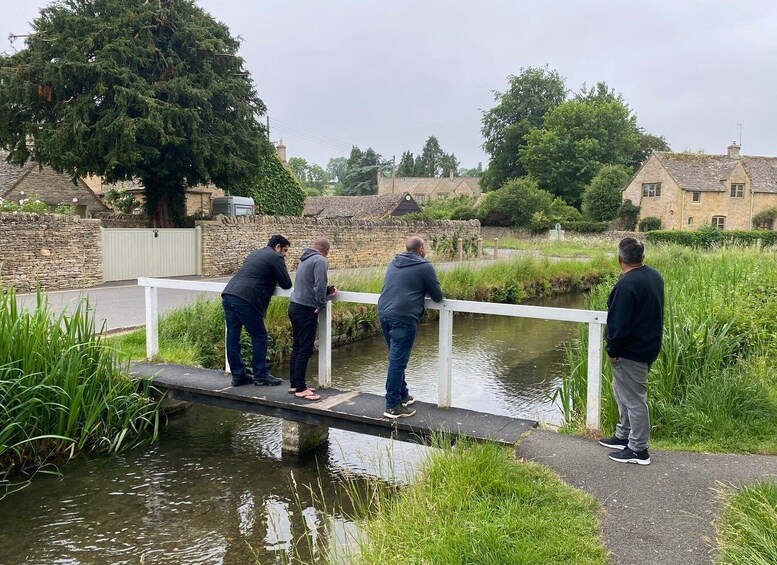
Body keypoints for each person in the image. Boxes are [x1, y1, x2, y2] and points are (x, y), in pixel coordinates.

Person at [598, 237, 664, 465]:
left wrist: (612, 349)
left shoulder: (626, 285)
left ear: (620, 259)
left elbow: (618, 323)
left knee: (634, 399)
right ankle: (623, 435)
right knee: (622, 392)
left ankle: (638, 449)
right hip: (647, 346)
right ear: (642, 257)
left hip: (630, 351)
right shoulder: (654, 276)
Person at [377, 236, 443, 418]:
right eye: (425, 247)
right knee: (397, 361)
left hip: (384, 313)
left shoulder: (393, 263)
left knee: (395, 358)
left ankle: (402, 395)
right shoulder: (425, 266)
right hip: (404, 317)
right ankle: (392, 406)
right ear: (421, 249)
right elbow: (438, 296)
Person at [222, 235, 292, 387]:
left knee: (232, 338)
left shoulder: (255, 254)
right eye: (285, 250)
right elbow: (286, 283)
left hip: (228, 295)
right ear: (278, 247)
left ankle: (238, 376)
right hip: (246, 300)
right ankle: (261, 375)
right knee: (260, 337)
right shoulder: (275, 257)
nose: (285, 254)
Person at [287, 238, 337, 401]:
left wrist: (327, 290)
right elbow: (318, 284)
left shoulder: (305, 259)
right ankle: (301, 389)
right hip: (306, 308)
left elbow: (309, 283)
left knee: (297, 346)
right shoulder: (320, 260)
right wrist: (321, 304)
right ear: (327, 250)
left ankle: (295, 383)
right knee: (305, 348)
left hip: (295, 305)